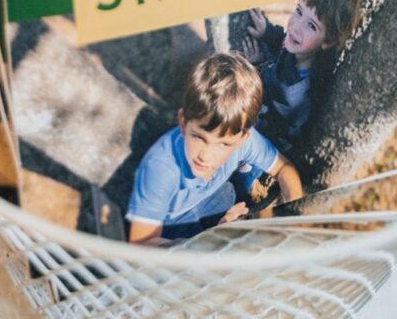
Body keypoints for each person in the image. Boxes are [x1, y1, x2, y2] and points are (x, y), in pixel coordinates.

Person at [126, 52, 303, 244]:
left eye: (224, 144)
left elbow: (284, 168)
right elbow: (142, 244)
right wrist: (214, 238)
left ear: (243, 138)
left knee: (228, 194)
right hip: (171, 224)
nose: (206, 156)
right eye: (199, 137)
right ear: (183, 123)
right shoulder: (160, 168)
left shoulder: (243, 138)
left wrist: (294, 218)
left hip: (212, 197)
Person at [242, 0, 362, 157]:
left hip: (266, 145)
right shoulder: (307, 51)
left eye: (311, 25)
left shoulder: (294, 93)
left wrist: (256, 66)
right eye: (299, 11)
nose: (296, 26)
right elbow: (287, 45)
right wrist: (267, 32)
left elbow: (265, 92)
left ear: (328, 41)